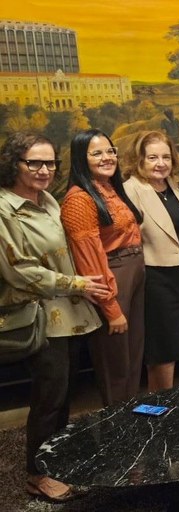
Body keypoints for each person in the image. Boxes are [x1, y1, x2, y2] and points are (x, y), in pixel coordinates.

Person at [0, 132, 107, 502]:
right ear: (14, 164)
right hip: (38, 317)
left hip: (68, 315)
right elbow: (19, 271)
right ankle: (37, 475)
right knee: (48, 398)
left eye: (50, 163)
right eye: (34, 163)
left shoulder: (46, 200)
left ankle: (55, 460)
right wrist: (78, 283)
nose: (45, 170)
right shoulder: (4, 209)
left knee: (63, 396)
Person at [61, 129, 145, 406]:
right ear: (80, 159)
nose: (107, 157)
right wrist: (110, 308)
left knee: (133, 358)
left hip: (133, 271)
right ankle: (117, 432)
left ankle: (131, 422)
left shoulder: (110, 188)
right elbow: (90, 262)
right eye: (97, 153)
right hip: (113, 278)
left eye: (110, 151)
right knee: (115, 364)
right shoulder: (79, 199)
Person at [123, 131, 179, 391]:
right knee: (162, 347)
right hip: (157, 278)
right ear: (139, 159)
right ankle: (160, 404)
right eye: (152, 157)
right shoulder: (132, 189)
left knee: (176, 344)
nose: (160, 163)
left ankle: (167, 398)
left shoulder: (172, 185)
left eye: (165, 157)